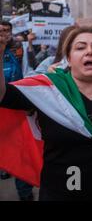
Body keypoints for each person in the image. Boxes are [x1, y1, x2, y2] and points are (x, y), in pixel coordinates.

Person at [0, 26, 92, 200]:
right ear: (68, 58)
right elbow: (3, 95)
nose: (90, 51)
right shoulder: (46, 90)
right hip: (58, 194)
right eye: (80, 47)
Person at [0, 21, 34, 200]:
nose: (4, 33)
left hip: (17, 106)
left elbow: (26, 70)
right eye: (1, 30)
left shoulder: (17, 47)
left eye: (7, 30)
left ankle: (25, 193)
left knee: (21, 152)